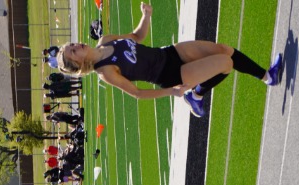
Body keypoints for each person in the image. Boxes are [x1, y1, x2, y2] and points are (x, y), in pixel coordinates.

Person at [56, 2, 283, 117]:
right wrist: (171, 92)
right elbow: (137, 93)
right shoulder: (105, 72)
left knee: (223, 49)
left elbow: (137, 36)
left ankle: (267, 76)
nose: (76, 46)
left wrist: (146, 16)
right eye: (73, 52)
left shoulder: (105, 40)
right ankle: (196, 95)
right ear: (78, 65)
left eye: (72, 45)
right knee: (225, 63)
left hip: (170, 53)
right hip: (170, 75)